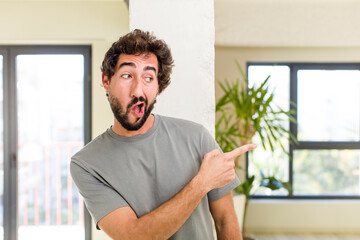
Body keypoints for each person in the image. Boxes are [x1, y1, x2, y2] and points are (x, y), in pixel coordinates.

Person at [70, 29, 256, 240]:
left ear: (158, 87)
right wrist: (201, 183)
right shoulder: (87, 164)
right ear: (106, 80)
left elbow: (225, 221)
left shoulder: (197, 138)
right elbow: (135, 236)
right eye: (127, 75)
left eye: (149, 78)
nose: (138, 91)